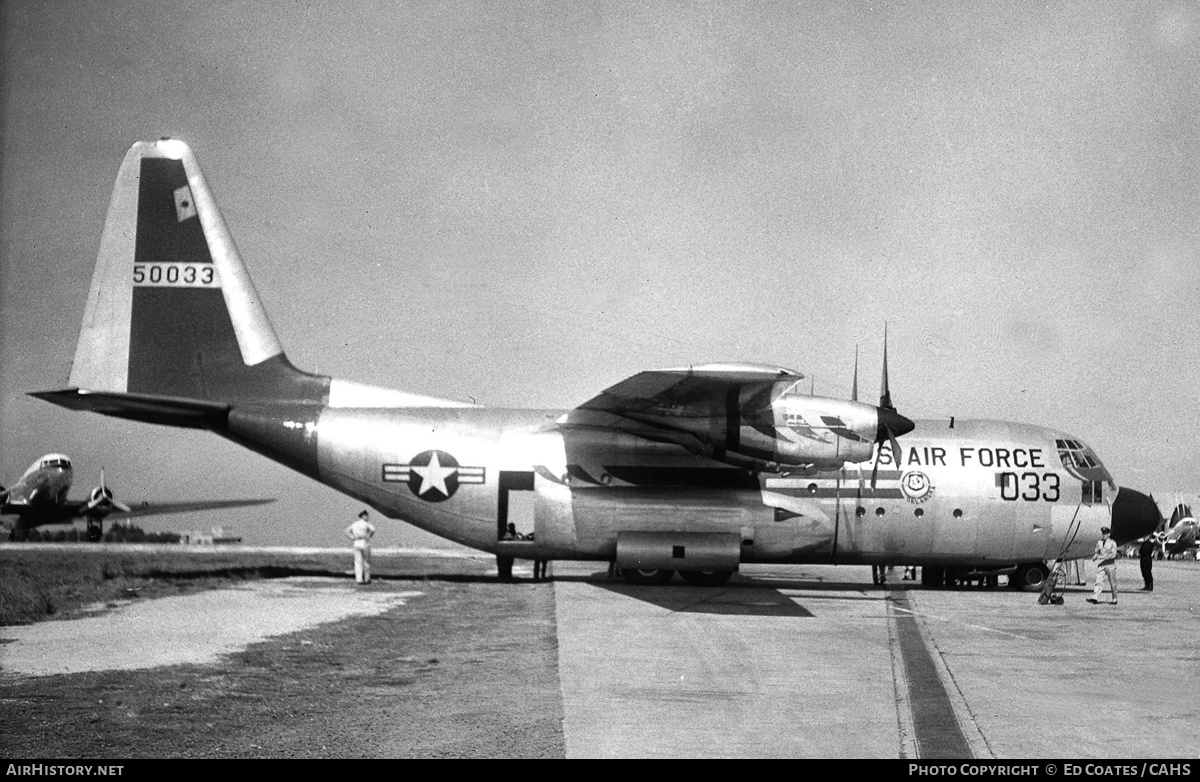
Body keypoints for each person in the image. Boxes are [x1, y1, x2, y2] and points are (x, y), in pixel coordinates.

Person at [1087, 526, 1118, 604]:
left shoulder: (1112, 543)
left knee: (1112, 582)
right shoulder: (1099, 542)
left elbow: (1113, 554)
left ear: (1109, 534)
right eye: (1103, 533)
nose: (1104, 535)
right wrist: (1095, 557)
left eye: (1105, 533)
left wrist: (1102, 557)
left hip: (1110, 564)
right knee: (1099, 581)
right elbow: (1097, 551)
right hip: (1101, 564)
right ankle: (1095, 597)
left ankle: (1115, 598)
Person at [345, 509, 376, 585]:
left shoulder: (355, 524)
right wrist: (369, 536)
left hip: (356, 542)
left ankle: (359, 579)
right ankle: (367, 579)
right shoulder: (366, 523)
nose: (368, 517)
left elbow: (347, 531)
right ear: (364, 516)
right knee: (366, 562)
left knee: (358, 562)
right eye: (367, 516)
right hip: (364, 541)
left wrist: (352, 537)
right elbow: (373, 530)